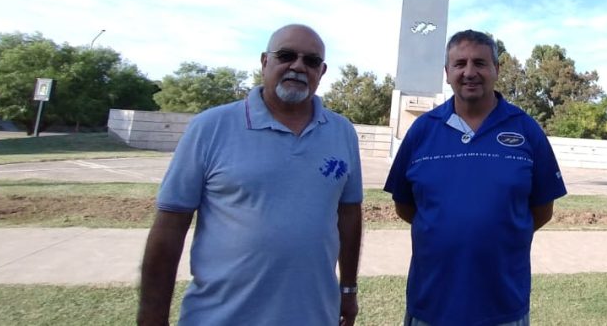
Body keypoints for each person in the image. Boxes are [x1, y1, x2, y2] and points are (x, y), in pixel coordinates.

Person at [138, 24, 363, 326]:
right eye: (286, 55)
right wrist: (152, 316)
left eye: (310, 61)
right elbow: (169, 228)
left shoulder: (342, 131)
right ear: (264, 61)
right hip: (221, 317)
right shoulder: (210, 127)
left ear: (321, 71)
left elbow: (349, 215)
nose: (297, 66)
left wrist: (348, 289)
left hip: (315, 315)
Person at [384, 29, 567, 326]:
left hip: (503, 306)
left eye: (480, 63)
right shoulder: (422, 131)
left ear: (497, 69)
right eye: (460, 64)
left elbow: (542, 210)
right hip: (430, 305)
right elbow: (405, 206)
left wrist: (500, 231)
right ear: (447, 73)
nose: (470, 72)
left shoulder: (526, 130)